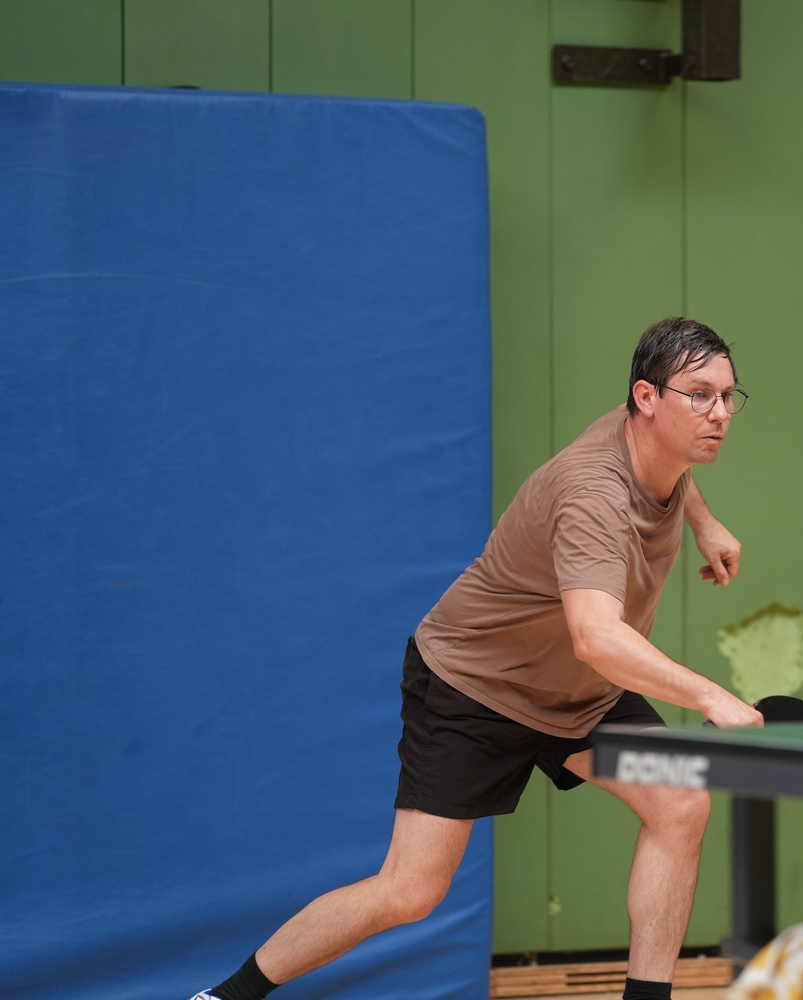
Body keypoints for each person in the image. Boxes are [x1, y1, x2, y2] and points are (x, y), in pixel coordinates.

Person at [193, 317, 763, 1000]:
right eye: (699, 396)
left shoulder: (648, 433)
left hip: (581, 693)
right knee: (410, 891)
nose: (718, 413)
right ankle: (224, 997)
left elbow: (675, 460)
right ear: (647, 398)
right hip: (477, 686)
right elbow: (596, 636)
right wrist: (710, 696)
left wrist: (703, 521)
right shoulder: (591, 493)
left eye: (728, 396)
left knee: (679, 804)